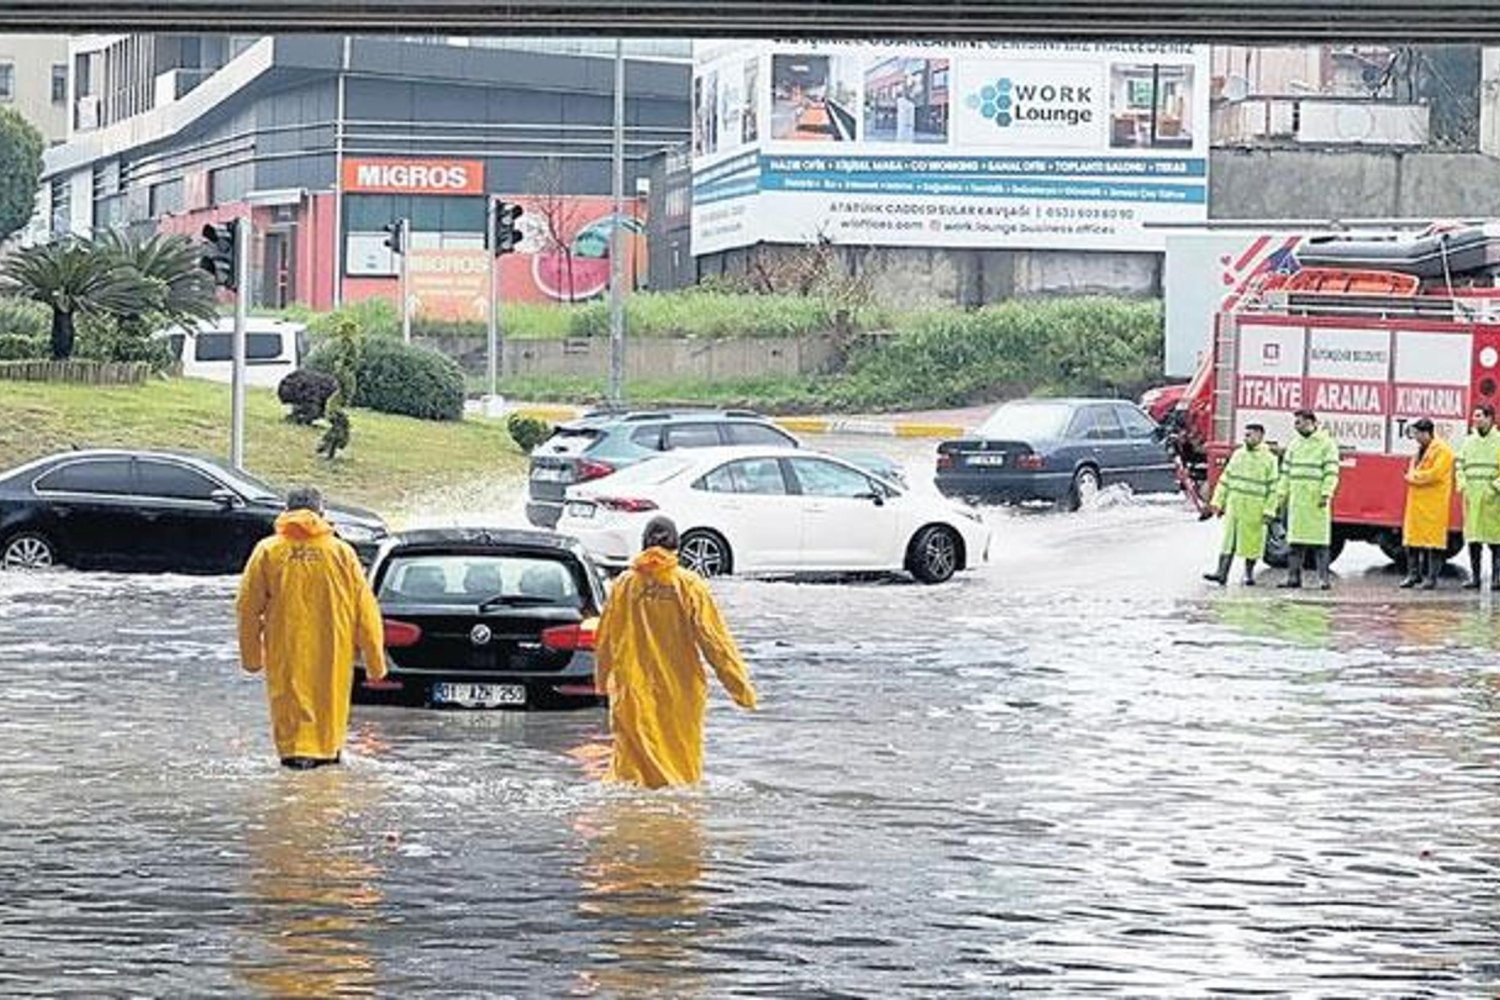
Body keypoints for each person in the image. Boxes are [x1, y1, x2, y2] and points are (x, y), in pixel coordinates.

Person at [594, 516, 757, 789]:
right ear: (677, 546)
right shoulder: (689, 585)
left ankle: (636, 828)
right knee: (680, 770)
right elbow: (715, 642)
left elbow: (605, 638)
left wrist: (601, 682)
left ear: (643, 544)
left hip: (632, 690)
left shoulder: (624, 585)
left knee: (632, 773)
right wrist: (741, 689)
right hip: (680, 694)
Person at [236, 486, 386, 769]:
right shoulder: (342, 552)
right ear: (322, 513)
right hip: (334, 652)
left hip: (286, 651)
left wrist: (252, 659)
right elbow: (366, 612)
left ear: (286, 512)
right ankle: (325, 773)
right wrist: (375, 664)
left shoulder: (267, 551)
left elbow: (247, 608)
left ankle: (296, 769)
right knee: (328, 719)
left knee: (291, 720)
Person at [1203, 422, 1280, 586]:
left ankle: (1249, 574)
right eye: (1245, 435)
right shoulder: (1238, 454)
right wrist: (1217, 502)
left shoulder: (1269, 459)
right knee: (1228, 542)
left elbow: (1273, 489)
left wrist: (1269, 511)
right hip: (1235, 506)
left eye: (1249, 435)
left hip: (1255, 509)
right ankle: (1221, 573)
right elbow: (1225, 480)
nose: (1246, 438)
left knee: (1252, 544)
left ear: (1260, 436)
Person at [1277, 409, 1341, 590]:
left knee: (1321, 543)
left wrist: (1326, 493)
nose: (1296, 426)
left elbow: (1331, 472)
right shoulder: (1294, 445)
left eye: (1300, 422)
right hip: (1297, 500)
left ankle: (1323, 580)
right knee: (1295, 543)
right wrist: (1281, 495)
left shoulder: (1326, 444)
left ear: (1312, 422)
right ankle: (1293, 578)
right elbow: (1286, 473)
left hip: (1316, 500)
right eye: (1295, 422)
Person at [1399, 418, 1455, 590]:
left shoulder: (1444, 451)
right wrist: (1412, 475)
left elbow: (1436, 474)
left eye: (1417, 434)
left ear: (1426, 433)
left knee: (1433, 542)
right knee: (1412, 540)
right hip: (1417, 501)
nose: (1415, 437)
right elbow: (1412, 469)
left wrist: (1414, 477)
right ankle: (1413, 575)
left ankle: (1431, 578)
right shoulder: (1418, 451)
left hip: (1434, 503)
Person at [1456, 403, 1500, 590]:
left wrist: (1495, 488)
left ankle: (1497, 579)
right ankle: (1475, 578)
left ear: (1490, 418)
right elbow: (1459, 464)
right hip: (1472, 496)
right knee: (1474, 540)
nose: (1475, 419)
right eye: (1474, 416)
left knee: (1495, 541)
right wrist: (1463, 484)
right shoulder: (1468, 441)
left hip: (1492, 498)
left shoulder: (1498, 440)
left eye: (1479, 416)